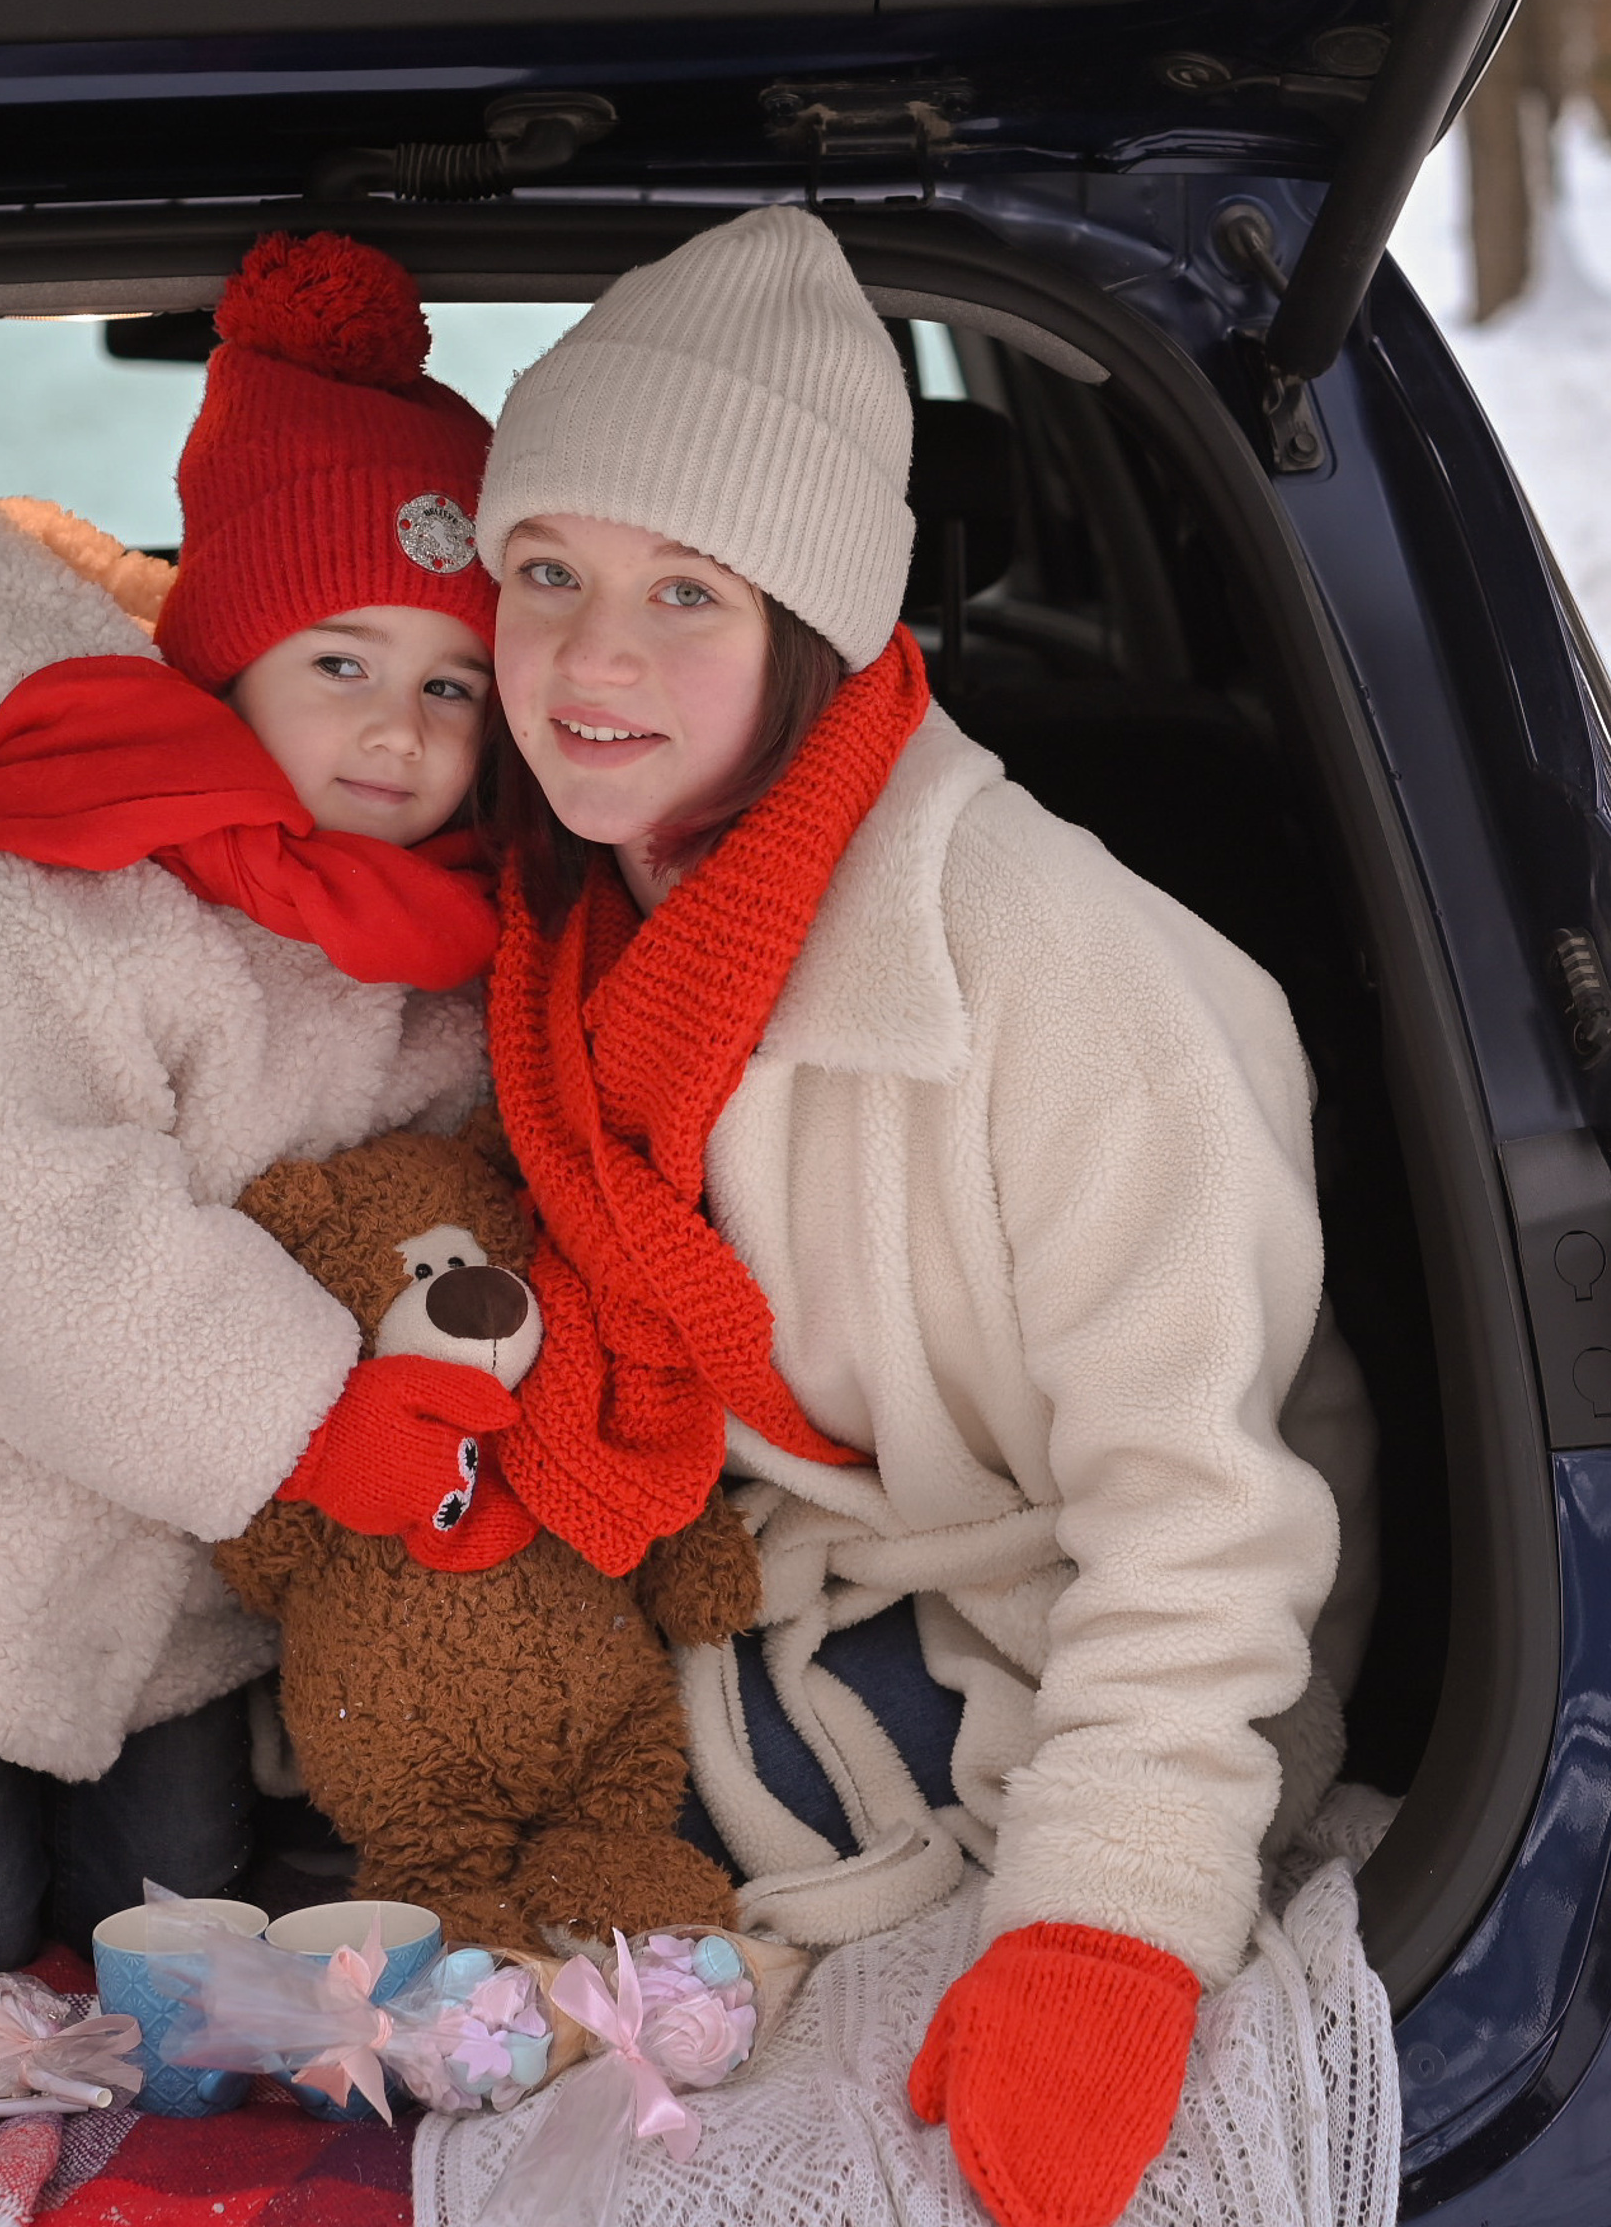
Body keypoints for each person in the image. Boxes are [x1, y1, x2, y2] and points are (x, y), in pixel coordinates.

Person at [472, 207, 1376, 2227]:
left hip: (1067, 1625)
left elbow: (1204, 1518)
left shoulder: (1078, 983)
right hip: (769, 1575)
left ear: (812, 623)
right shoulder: (558, 912)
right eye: (544, 570)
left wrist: (1109, 1923)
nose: (589, 657)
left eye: (682, 592)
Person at [0, 233, 525, 1982]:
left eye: (452, 684)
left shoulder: (440, 954)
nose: (400, 733)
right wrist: (308, 1421)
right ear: (226, 665)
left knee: (169, 1920)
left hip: (172, 1575)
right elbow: (13, 1211)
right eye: (342, 665)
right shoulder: (59, 893)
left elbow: (447, 1207)